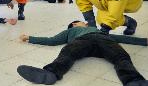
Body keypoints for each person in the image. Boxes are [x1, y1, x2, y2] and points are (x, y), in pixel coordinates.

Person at [17, 21, 148, 86]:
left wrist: (144, 41)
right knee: (67, 52)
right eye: (80, 22)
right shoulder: (71, 31)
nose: (85, 22)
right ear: (74, 24)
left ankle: (134, 81)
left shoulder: (95, 29)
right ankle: (51, 73)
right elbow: (52, 40)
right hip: (83, 41)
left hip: (104, 39)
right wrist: (30, 38)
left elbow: (121, 38)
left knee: (121, 57)